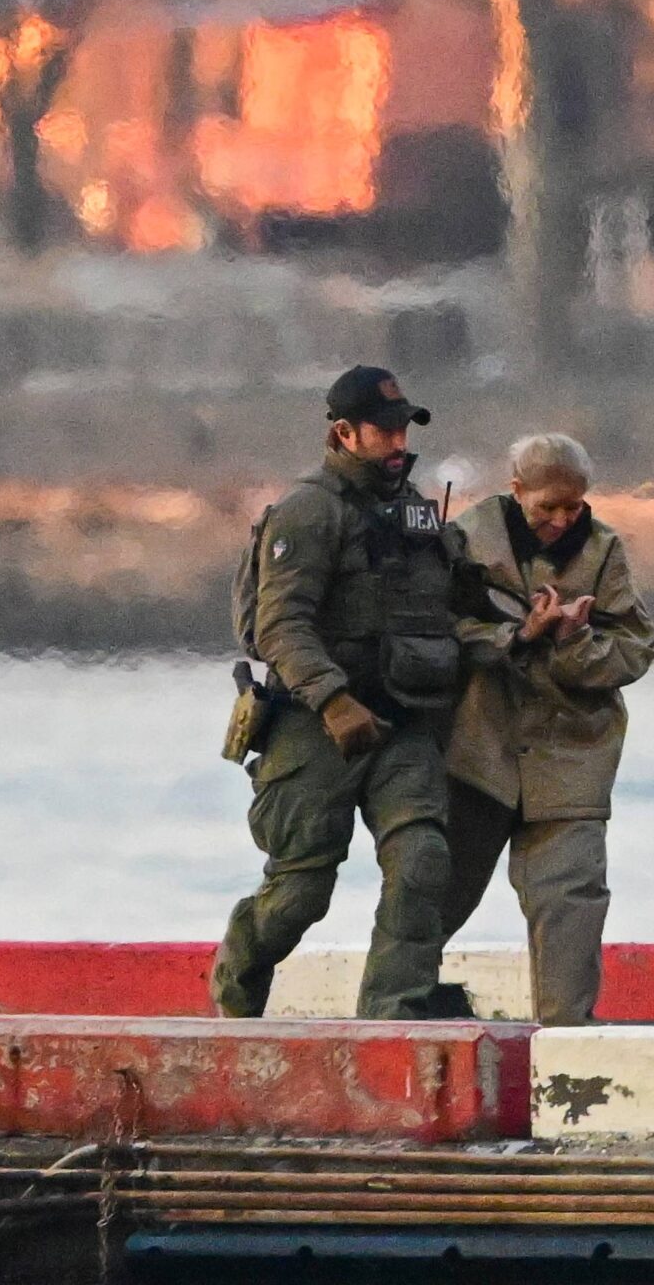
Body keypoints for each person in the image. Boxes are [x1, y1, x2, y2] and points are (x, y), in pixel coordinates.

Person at [213, 366, 463, 1019]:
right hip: (312, 724)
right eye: (384, 431)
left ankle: (394, 1016)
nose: (399, 442)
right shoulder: (309, 510)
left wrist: (521, 631)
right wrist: (333, 700)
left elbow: (451, 608)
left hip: (402, 721)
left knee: (422, 861)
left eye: (404, 428)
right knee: (299, 895)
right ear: (345, 433)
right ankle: (236, 988)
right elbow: (279, 626)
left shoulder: (418, 513)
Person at [440, 433, 654, 1026]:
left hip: (571, 754)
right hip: (478, 750)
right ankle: (391, 1013)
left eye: (574, 506)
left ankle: (568, 1037)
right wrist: (516, 636)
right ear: (516, 491)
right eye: (548, 507)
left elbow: (636, 648)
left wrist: (573, 640)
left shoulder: (604, 551)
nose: (562, 520)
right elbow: (437, 632)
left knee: (570, 898)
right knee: (434, 893)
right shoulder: (464, 541)